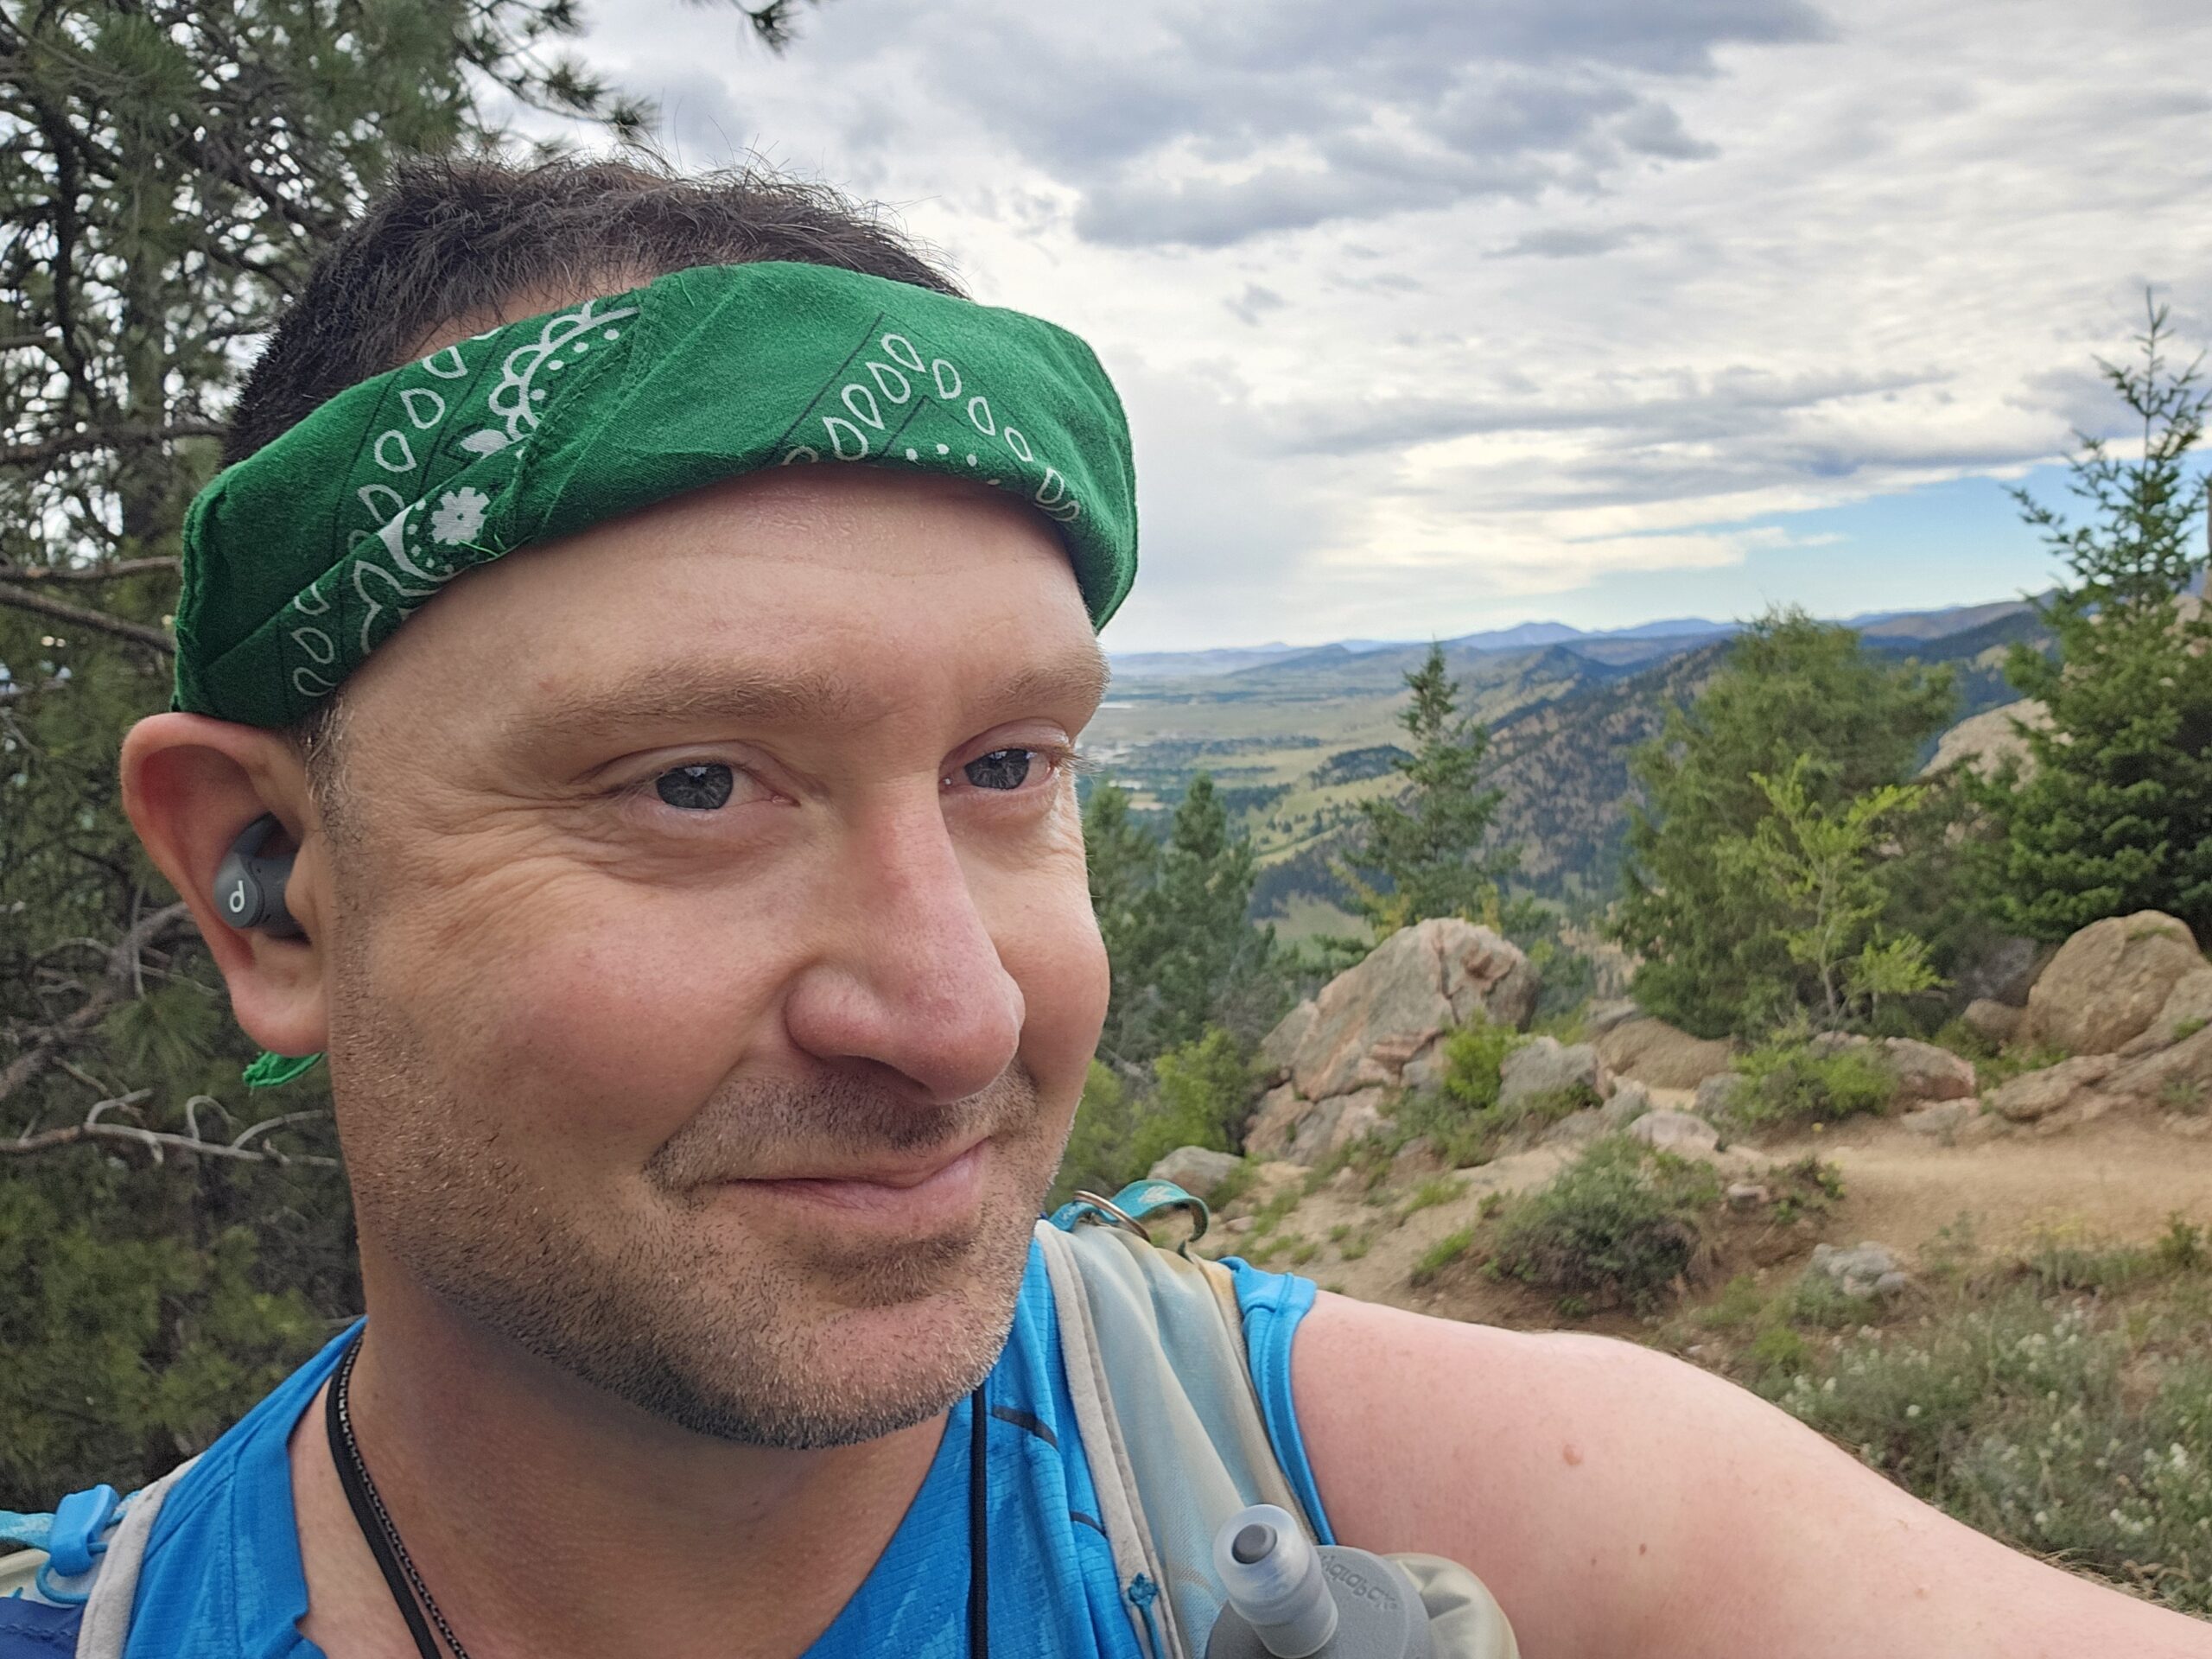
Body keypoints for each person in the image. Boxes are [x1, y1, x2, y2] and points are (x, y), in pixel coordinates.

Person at [6, 155, 2208, 1659]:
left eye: (1006, 770)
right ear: (265, 891)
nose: (956, 1014)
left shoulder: (1480, 1516)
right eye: (692, 783)